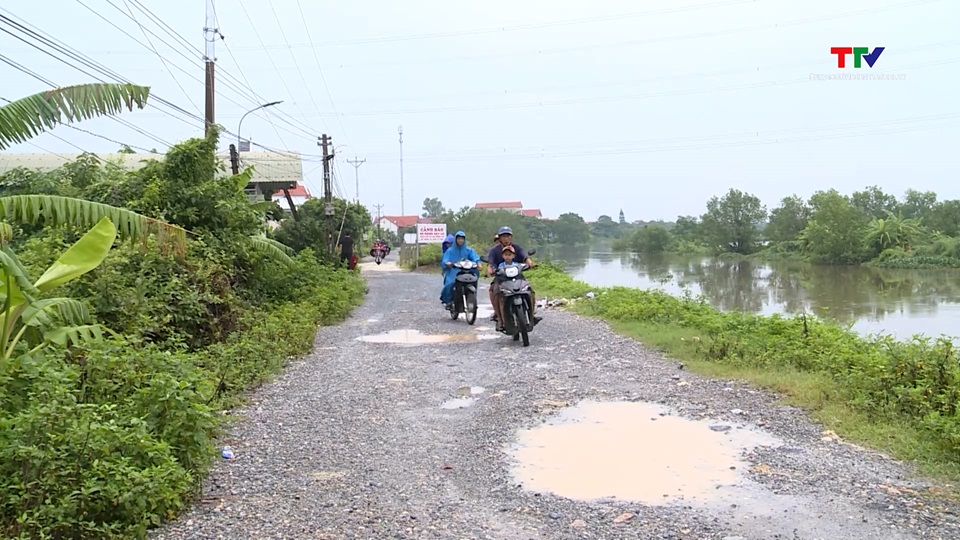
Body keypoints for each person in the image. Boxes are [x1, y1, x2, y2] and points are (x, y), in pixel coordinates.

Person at [487, 226, 540, 331]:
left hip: (517, 276)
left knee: (530, 291)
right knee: (494, 291)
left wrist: (530, 264)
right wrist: (490, 270)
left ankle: (531, 314)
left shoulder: (516, 247)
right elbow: (490, 263)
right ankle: (500, 319)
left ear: (511, 237)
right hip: (501, 278)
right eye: (504, 236)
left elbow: (525, 257)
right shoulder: (494, 250)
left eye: (508, 236)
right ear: (500, 238)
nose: (506, 238)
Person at [440, 230, 481, 310]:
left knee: (474, 278)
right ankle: (449, 301)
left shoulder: (468, 250)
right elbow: (445, 260)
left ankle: (472, 299)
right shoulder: (450, 250)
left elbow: (475, 257)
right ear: (455, 240)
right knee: (450, 284)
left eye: (462, 239)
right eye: (459, 239)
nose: (460, 240)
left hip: (467, 270)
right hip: (454, 271)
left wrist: (478, 263)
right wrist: (447, 263)